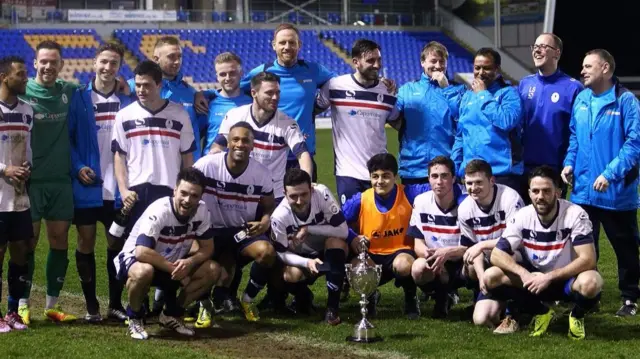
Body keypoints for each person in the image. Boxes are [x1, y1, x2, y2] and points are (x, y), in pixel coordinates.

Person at [561, 49, 640, 317]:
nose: (582, 71)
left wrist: (609, 174)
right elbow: (574, 136)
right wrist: (569, 163)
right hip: (583, 192)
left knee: (625, 247)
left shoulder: (626, 101)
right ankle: (588, 295)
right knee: (584, 246)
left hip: (616, 193)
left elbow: (634, 145)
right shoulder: (582, 99)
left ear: (605, 68)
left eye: (588, 66)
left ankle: (630, 298)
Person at [484, 165, 603, 340]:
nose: (540, 197)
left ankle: (576, 315)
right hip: (533, 279)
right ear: (530, 193)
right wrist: (524, 274)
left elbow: (588, 259)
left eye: (546, 191)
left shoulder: (576, 214)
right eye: (536, 191)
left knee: (592, 282)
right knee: (490, 276)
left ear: (558, 192)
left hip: (566, 279)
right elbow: (496, 254)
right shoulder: (523, 216)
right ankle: (541, 311)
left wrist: (549, 277)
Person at [17, 40, 82, 323]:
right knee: (27, 243)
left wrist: (124, 85)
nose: (48, 66)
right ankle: (22, 303)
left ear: (61, 65)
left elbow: (103, 88)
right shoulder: (22, 91)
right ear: (35, 64)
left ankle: (52, 305)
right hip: (30, 181)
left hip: (60, 181)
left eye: (53, 62)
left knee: (59, 240)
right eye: (43, 61)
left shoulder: (69, 91)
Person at [115, 167, 221, 340]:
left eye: (194, 196)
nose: (187, 200)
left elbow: (208, 248)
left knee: (213, 270)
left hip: (170, 263)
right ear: (175, 190)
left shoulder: (202, 211)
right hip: (136, 259)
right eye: (184, 193)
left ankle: (171, 314)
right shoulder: (160, 210)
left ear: (201, 197)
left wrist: (191, 262)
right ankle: (134, 316)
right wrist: (177, 271)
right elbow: (141, 251)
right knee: (143, 272)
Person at [68, 42, 132, 322]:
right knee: (86, 241)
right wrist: (78, 166)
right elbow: (67, 140)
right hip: (87, 186)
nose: (107, 68)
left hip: (118, 190)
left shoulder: (127, 101)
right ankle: (91, 304)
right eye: (103, 62)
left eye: (114, 64)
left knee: (116, 244)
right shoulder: (79, 98)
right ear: (94, 63)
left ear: (120, 68)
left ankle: (115, 304)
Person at [193, 123, 276, 324]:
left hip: (242, 232)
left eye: (246, 140)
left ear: (253, 145)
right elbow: (186, 191)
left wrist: (265, 223)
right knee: (202, 259)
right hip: (210, 231)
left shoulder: (261, 173)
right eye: (236, 140)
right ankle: (202, 303)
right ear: (228, 143)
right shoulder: (206, 166)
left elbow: (268, 207)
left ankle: (246, 300)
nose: (240, 144)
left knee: (267, 253)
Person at [112, 60, 196, 237]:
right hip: (136, 191)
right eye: (138, 85)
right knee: (131, 243)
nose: (141, 90)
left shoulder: (179, 114)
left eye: (147, 85)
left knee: (166, 243)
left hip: (169, 189)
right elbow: (120, 156)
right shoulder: (124, 115)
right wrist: (123, 190)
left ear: (159, 85)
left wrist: (185, 189)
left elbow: (187, 156)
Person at [316, 39, 400, 205]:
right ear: (355, 62)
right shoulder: (335, 86)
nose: (377, 65)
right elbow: (312, 110)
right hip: (347, 173)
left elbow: (399, 123)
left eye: (379, 60)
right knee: (351, 224)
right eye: (371, 60)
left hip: (379, 172)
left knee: (379, 225)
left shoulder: (388, 92)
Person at [209, 71, 313, 201]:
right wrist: (215, 154)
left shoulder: (287, 124)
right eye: (269, 93)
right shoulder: (235, 115)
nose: (275, 97)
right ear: (254, 93)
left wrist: (306, 181)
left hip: (274, 195)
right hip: (238, 190)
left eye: (277, 93)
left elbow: (303, 154)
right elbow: (218, 144)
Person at [342, 153, 420, 320]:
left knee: (405, 265)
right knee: (355, 270)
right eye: (375, 176)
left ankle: (411, 299)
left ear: (395, 177)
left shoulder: (409, 193)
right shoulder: (361, 199)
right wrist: (353, 237)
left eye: (386, 176)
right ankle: (370, 297)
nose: (380, 181)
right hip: (371, 255)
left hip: (401, 253)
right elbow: (337, 222)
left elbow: (438, 189)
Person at [270, 168, 348, 325]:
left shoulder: (322, 194)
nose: (299, 201)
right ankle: (303, 297)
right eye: (293, 196)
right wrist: (307, 263)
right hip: (303, 257)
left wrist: (309, 229)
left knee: (336, 243)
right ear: (284, 194)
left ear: (311, 190)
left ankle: (332, 308)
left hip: (327, 251)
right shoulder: (278, 217)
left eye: (304, 194)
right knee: (290, 275)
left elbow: (343, 231)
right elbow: (281, 253)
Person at [457, 159, 524, 333]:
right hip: (488, 264)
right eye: (469, 183)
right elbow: (471, 248)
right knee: (481, 319)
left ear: (492, 181)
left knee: (506, 256)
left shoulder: (510, 198)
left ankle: (515, 309)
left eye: (479, 182)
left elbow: (515, 239)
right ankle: (490, 300)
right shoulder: (464, 208)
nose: (473, 187)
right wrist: (481, 278)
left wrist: (482, 245)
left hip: (518, 256)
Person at [518, 33, 583, 201]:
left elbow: (577, 133)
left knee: (553, 223)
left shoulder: (573, 88)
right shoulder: (525, 84)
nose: (537, 51)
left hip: (555, 169)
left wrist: (569, 163)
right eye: (535, 47)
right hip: (524, 169)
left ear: (557, 53)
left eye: (544, 47)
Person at [452, 48, 524, 196]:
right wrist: (457, 167)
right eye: (477, 68)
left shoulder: (509, 94)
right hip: (471, 175)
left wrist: (483, 95)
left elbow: (506, 121)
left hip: (501, 175)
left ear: (497, 69)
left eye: (487, 68)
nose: (481, 72)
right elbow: (461, 135)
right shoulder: (467, 97)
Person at [395, 41, 465, 189]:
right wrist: (386, 93)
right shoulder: (407, 90)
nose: (438, 66)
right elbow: (391, 116)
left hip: (446, 167)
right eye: (433, 61)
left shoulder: (458, 90)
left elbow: (463, 119)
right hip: (413, 169)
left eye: (442, 61)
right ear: (422, 62)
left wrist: (446, 88)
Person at [127, 36, 205, 161]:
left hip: (185, 169)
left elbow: (197, 131)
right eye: (171, 57)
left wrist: (205, 93)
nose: (177, 61)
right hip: (149, 167)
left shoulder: (191, 93)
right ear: (156, 59)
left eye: (179, 56)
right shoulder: (133, 87)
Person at [409, 156, 467, 318]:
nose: (439, 181)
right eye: (434, 176)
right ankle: (441, 297)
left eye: (444, 176)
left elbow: (473, 245)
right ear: (428, 179)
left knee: (475, 264)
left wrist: (447, 253)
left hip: (463, 260)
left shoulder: (467, 203)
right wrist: (430, 255)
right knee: (418, 268)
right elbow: (417, 243)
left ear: (454, 178)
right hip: (435, 259)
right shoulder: (420, 201)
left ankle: (479, 299)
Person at [0, 56, 32, 332]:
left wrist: (27, 166)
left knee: (21, 252)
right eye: (21, 74)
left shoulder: (27, 110)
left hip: (20, 198)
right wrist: (4, 169)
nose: (26, 79)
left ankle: (12, 311)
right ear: (4, 77)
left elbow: (27, 147)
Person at [202, 52, 252, 155]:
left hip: (241, 165)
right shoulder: (207, 103)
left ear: (241, 73)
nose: (228, 78)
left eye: (232, 73)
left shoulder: (252, 103)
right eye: (222, 74)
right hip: (211, 164)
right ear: (217, 76)